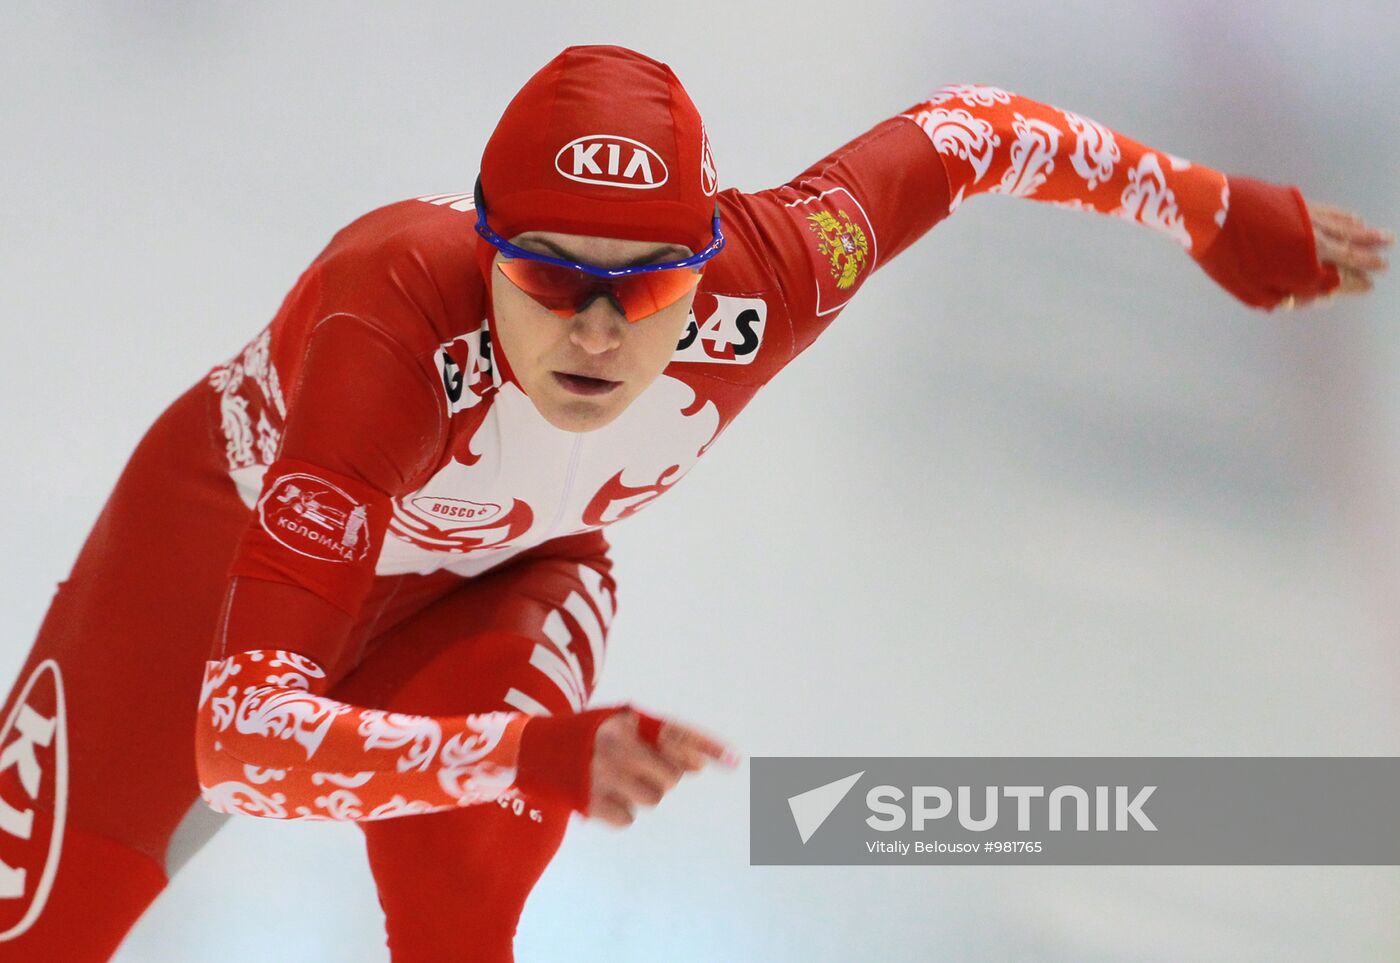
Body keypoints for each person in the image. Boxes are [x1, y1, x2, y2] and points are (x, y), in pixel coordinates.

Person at [0, 43, 1389, 962]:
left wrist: (1212, 206)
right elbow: (241, 740)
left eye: (648, 286)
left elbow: (970, 138)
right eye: (551, 278)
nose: (599, 332)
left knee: (457, 901)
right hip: (214, 558)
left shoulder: (772, 277)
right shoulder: (388, 334)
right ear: (482, 254)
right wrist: (514, 757)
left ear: (707, 264)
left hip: (501, 576)